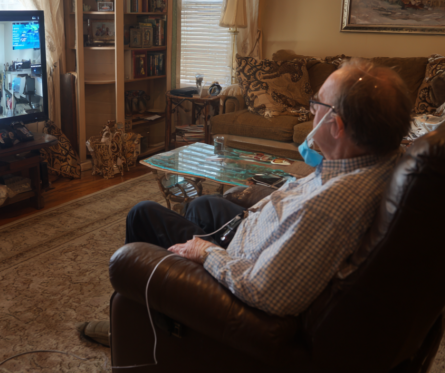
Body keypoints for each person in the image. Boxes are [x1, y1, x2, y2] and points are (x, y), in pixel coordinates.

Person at [78, 58, 413, 347]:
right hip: (252, 234)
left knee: (143, 215)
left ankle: (130, 327)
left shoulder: (330, 207)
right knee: (203, 204)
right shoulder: (375, 162)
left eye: (316, 106)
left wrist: (205, 252)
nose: (311, 112)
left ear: (336, 125)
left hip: (238, 266)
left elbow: (266, 293)